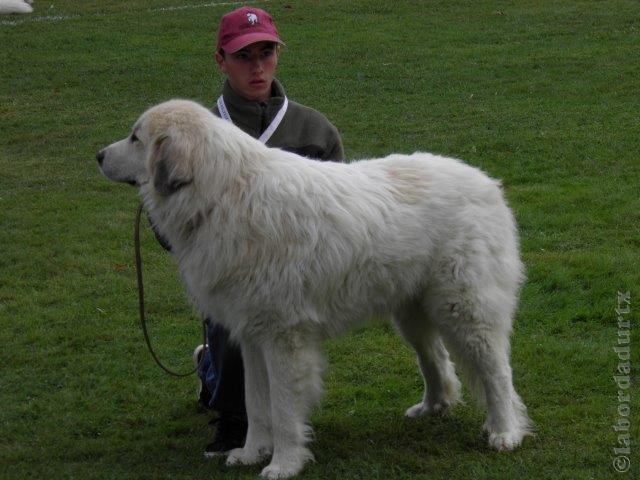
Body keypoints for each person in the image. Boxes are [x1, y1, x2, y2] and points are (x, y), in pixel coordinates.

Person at [194, 6, 345, 458]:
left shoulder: (314, 128)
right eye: (243, 56)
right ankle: (233, 417)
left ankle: (268, 420)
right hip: (226, 273)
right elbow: (175, 227)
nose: (257, 67)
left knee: (281, 318)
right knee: (235, 316)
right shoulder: (199, 134)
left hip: (300, 274)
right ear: (220, 60)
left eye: (267, 52)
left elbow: (339, 212)